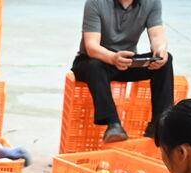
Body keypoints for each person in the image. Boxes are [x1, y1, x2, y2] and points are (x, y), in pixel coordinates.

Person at [72, 0, 173, 143]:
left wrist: (160, 51)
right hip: (94, 60)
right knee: (94, 66)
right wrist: (113, 58)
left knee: (166, 61)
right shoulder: (95, 2)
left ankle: (159, 125)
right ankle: (113, 124)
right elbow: (91, 46)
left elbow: (157, 35)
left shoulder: (152, 2)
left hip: (126, 60)